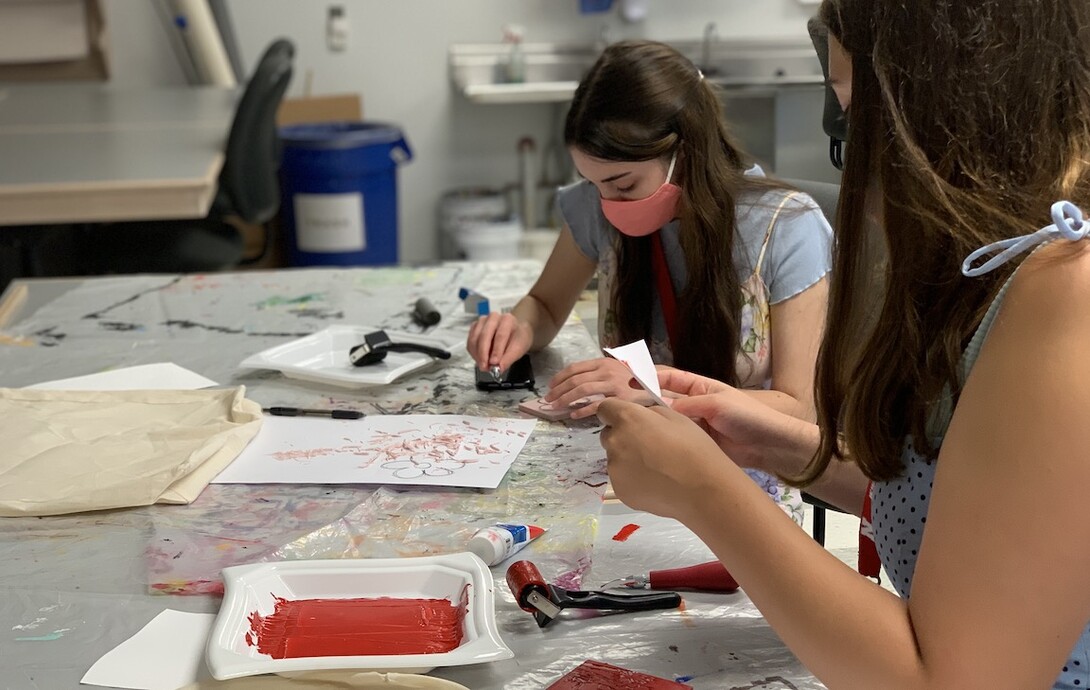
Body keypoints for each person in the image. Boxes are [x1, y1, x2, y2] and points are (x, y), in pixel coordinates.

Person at [596, 1, 1090, 688]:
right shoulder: (997, 269)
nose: (848, 145)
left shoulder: (1066, 299)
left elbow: (951, 679)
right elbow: (971, 507)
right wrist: (774, 443)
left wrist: (705, 493)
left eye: (853, 110)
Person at [467, 40, 834, 520]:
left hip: (744, 476)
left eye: (622, 186)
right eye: (593, 184)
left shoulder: (785, 228)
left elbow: (798, 410)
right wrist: (517, 325)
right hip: (633, 465)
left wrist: (654, 393)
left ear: (686, 149)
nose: (607, 204)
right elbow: (547, 304)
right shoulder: (596, 208)